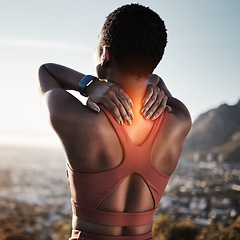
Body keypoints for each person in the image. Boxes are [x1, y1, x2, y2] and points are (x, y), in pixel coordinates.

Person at [38, 4, 191, 240]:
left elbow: (47, 71)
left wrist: (88, 84)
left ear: (104, 53)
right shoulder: (179, 119)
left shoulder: (76, 119)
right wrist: (156, 87)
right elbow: (156, 79)